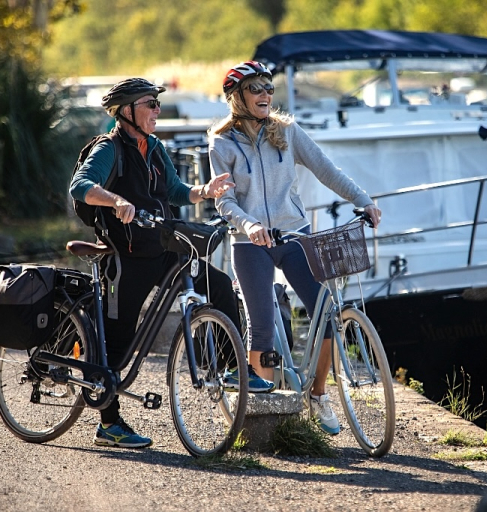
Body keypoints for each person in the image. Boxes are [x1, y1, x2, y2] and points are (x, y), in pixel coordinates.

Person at [69, 78, 273, 449]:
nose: (157, 111)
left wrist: (205, 192)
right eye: (150, 105)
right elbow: (80, 185)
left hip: (162, 246)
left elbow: (177, 192)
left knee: (220, 285)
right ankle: (109, 424)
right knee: (119, 341)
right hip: (126, 256)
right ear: (127, 111)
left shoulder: (155, 148)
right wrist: (115, 201)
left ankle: (228, 367)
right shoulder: (109, 149)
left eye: (157, 104)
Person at [208, 62, 382, 434]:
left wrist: (363, 198)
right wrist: (249, 224)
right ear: (237, 98)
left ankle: (318, 394)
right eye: (256, 89)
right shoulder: (222, 143)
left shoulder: (286, 132)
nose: (265, 95)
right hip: (250, 242)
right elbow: (224, 202)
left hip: (294, 234)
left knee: (326, 311)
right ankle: (265, 417)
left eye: (269, 88)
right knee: (262, 326)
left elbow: (327, 169)